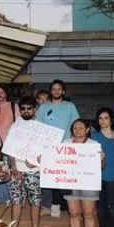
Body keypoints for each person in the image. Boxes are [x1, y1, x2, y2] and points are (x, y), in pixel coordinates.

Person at [36, 80, 80, 217]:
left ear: (63, 91)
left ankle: (63, 206)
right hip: (47, 148)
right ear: (51, 91)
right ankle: (47, 206)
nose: (56, 91)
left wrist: (75, 142)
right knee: (47, 177)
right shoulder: (43, 108)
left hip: (65, 148)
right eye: (54, 89)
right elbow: (37, 128)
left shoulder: (70, 106)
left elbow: (76, 125)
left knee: (64, 177)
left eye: (59, 89)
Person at [64, 119, 104, 227]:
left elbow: (101, 167)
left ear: (87, 130)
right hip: (70, 182)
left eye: (81, 128)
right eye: (75, 128)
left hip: (89, 183)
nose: (78, 130)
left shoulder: (94, 145)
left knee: (88, 213)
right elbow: (58, 162)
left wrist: (102, 159)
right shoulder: (66, 144)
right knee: (74, 213)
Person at [8, 96, 43, 227]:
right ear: (20, 110)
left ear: (34, 109)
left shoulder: (42, 128)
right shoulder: (15, 126)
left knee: (35, 202)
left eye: (29, 108)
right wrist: (14, 168)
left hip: (35, 171)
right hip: (17, 171)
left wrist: (35, 161)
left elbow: (46, 150)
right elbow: (10, 149)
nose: (26, 111)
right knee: (16, 201)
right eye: (23, 108)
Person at [0, 86, 18, 205]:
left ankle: (8, 197)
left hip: (9, 143)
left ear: (6, 93)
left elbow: (19, 124)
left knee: (9, 170)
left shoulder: (13, 106)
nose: (0, 95)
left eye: (2, 92)